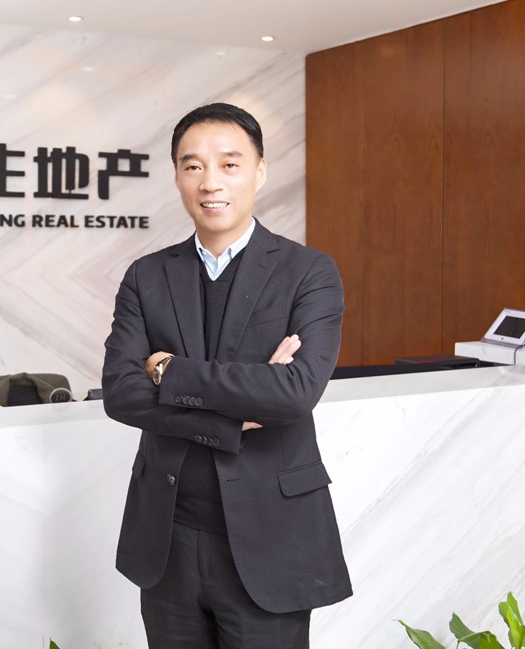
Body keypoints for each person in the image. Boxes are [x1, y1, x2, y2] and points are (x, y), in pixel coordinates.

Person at [102, 103, 351, 648]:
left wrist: (168, 370)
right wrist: (233, 417)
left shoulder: (308, 272)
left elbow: (293, 393)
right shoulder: (147, 276)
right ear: (176, 176)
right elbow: (120, 393)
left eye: (229, 164)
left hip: (271, 538)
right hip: (167, 538)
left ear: (259, 171)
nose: (210, 182)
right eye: (192, 166)